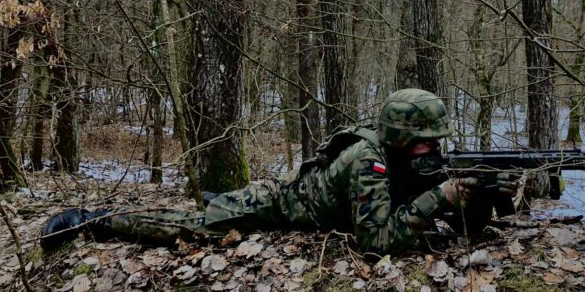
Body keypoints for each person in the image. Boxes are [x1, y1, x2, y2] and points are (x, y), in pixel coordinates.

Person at [41, 89, 505, 255]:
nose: (433, 149)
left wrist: (481, 198)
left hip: (307, 203)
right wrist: (440, 198)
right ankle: (90, 220)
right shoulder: (370, 159)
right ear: (401, 136)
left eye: (436, 141)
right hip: (279, 204)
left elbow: (451, 217)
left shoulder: (405, 159)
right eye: (426, 139)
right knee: (192, 226)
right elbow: (376, 242)